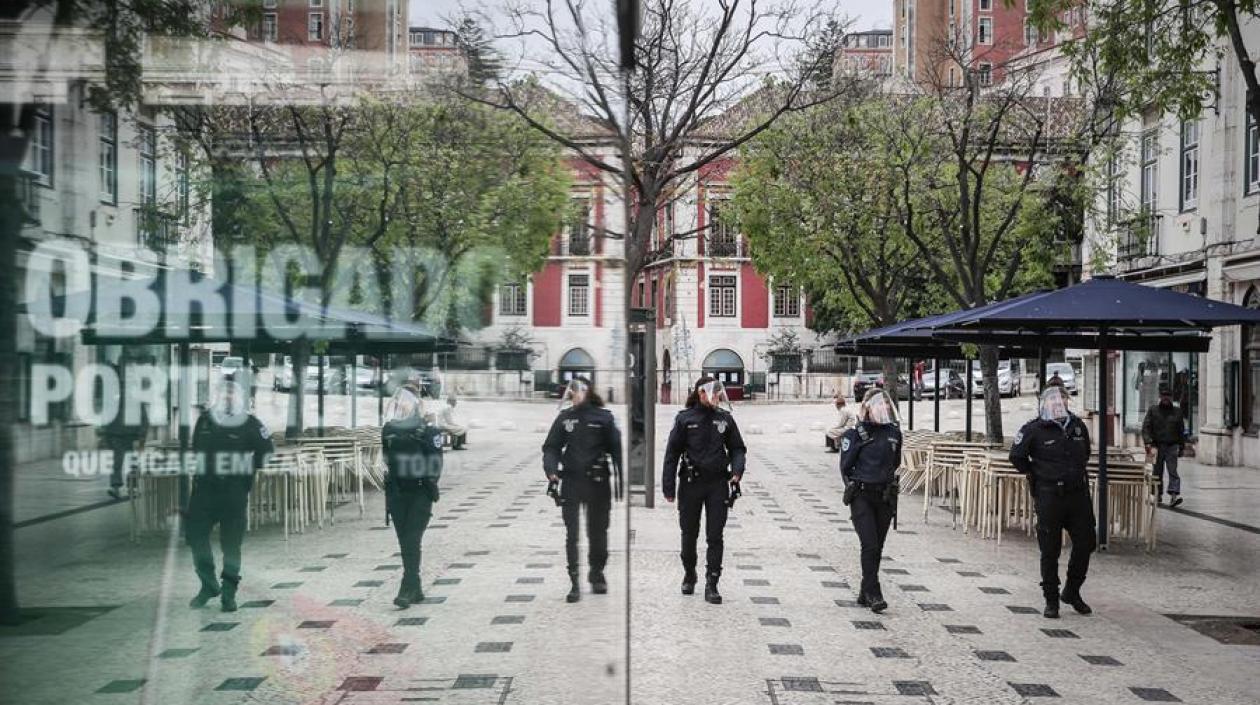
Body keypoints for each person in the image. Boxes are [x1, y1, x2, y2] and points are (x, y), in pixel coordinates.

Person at [1009, 384, 1096, 619]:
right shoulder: (1034, 429)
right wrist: (1035, 473)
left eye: (1063, 399)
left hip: (1077, 494)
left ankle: (1072, 590)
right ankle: (1051, 598)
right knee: (1050, 549)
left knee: (1087, 541)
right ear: (1044, 403)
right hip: (1049, 495)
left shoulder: (1077, 427)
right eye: (1053, 400)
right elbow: (1016, 456)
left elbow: (1085, 453)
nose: (1059, 403)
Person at [186, 379, 273, 612]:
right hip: (204, 491)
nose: (227, 398)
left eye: (232, 394)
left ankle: (228, 592)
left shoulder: (250, 424)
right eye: (223, 393)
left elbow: (267, 453)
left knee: (231, 545)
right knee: (195, 536)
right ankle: (208, 584)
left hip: (233, 492)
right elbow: (195, 450)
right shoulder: (204, 422)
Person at [662, 377, 746, 604]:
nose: (716, 397)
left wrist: (737, 472)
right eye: (712, 393)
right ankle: (690, 573)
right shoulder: (685, 419)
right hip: (691, 484)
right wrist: (668, 487)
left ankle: (712, 582)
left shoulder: (725, 420)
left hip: (717, 484)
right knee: (689, 534)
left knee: (715, 535)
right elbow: (672, 454)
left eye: (719, 393)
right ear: (700, 393)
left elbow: (738, 449)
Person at [542, 377, 624, 603]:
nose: (576, 395)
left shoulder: (603, 417)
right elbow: (551, 447)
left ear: (588, 392)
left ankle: (597, 572)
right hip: (571, 481)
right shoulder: (565, 418)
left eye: (580, 390)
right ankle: (574, 580)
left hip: (598, 482)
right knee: (572, 533)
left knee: (598, 531)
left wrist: (619, 479)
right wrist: (551, 471)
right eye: (573, 391)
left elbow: (616, 449)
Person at [839, 389, 902, 614]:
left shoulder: (893, 432)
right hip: (862, 496)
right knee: (870, 544)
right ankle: (874, 593)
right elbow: (845, 467)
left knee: (878, 547)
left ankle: (864, 591)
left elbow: (895, 462)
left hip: (884, 497)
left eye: (886, 405)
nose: (883, 409)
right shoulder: (855, 434)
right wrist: (855, 486)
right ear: (867, 408)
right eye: (878, 405)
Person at [382, 382, 444, 609]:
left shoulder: (429, 431)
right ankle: (415, 586)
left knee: (411, 539)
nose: (402, 406)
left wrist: (426, 482)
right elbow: (387, 458)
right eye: (400, 402)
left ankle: (406, 588)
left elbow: (436, 465)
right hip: (397, 491)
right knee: (404, 541)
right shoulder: (389, 429)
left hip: (420, 492)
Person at [101, 364, 149, 500]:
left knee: (118, 462)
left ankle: (117, 488)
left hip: (120, 435)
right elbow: (144, 419)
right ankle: (131, 488)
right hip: (129, 435)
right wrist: (142, 436)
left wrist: (106, 434)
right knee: (132, 462)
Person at [1141, 386, 1187, 507]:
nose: (1166, 398)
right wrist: (1147, 442)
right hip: (1156, 446)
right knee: (1156, 471)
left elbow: (1181, 430)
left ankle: (1174, 495)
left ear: (1171, 398)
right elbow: (1146, 427)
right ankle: (1157, 494)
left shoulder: (1177, 412)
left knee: (1173, 471)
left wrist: (1182, 446)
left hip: (1172, 446)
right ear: (1160, 397)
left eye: (1168, 396)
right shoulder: (1153, 410)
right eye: (1163, 396)